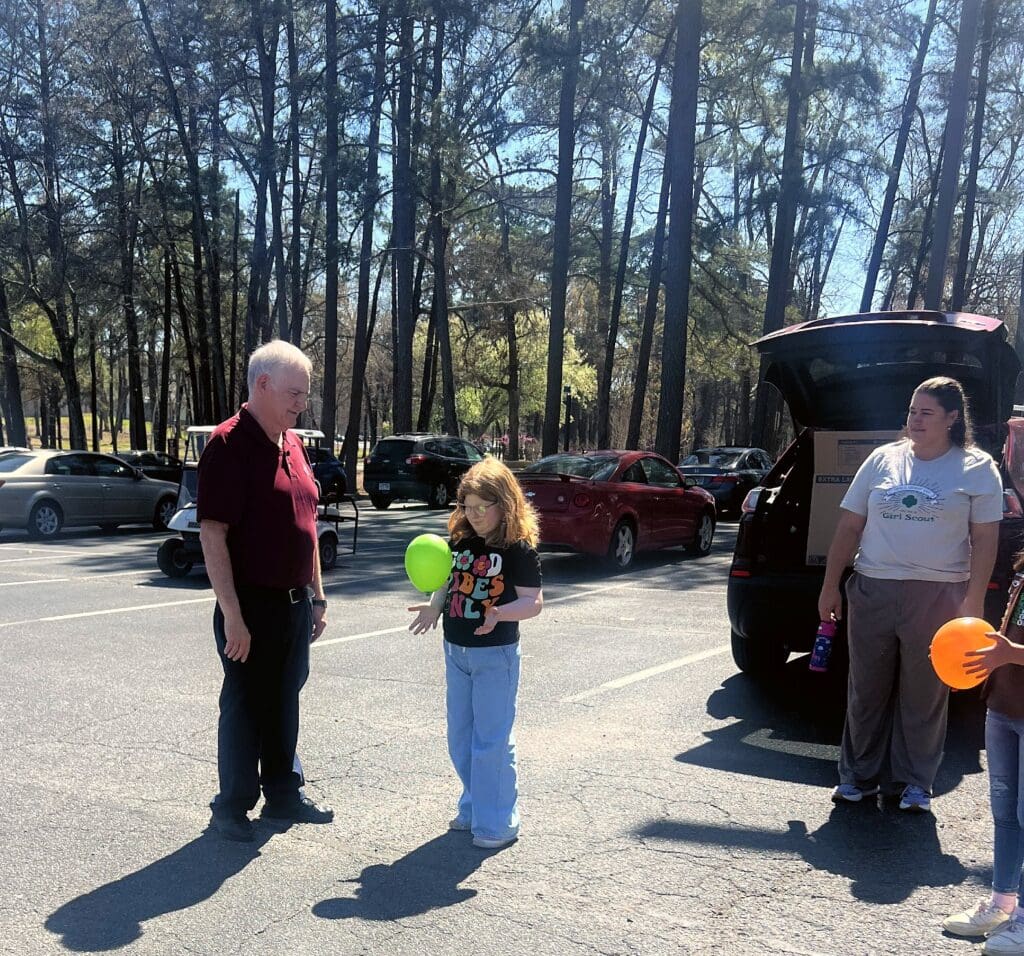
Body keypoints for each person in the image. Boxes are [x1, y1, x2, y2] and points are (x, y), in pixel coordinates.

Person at [818, 376, 1002, 813]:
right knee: (866, 690)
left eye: (926, 413)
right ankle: (857, 778)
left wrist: (973, 600)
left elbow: (986, 539)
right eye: (911, 411)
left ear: (952, 418)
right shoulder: (883, 459)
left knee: (924, 694)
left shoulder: (977, 468)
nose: (914, 420)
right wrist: (829, 586)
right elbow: (848, 526)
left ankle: (914, 783)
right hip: (873, 587)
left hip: (939, 594)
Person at [197, 339, 334, 841]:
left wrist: (317, 596)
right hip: (250, 604)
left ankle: (282, 794)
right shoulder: (228, 446)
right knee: (246, 704)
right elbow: (213, 535)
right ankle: (231, 806)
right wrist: (232, 615)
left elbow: (309, 524)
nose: (302, 404)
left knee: (284, 700)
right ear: (263, 385)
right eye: (295, 394)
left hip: (295, 603)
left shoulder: (293, 444)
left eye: (305, 394)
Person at [408, 457, 543, 849]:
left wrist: (499, 613)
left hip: (495, 654)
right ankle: (474, 805)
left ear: (505, 504)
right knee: (461, 737)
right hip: (457, 651)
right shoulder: (461, 540)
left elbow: (533, 603)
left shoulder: (517, 548)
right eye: (467, 506)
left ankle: (498, 821)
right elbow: (446, 580)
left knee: (492, 740)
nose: (475, 514)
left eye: (483, 507)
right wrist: (435, 606)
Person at [942, 560, 1024, 953]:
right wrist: (972, 665)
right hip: (1004, 704)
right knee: (1005, 812)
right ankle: (1002, 903)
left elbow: (1009, 648)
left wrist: (1011, 654)